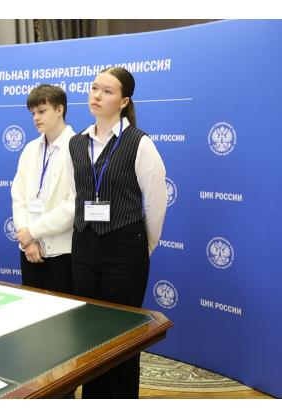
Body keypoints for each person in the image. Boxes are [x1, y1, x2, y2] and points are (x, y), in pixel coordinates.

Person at [66, 67, 167, 398]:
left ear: (124, 101)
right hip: (84, 248)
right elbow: (76, 194)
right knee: (90, 336)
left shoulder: (140, 143)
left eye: (107, 91)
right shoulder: (77, 143)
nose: (96, 95)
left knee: (122, 338)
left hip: (125, 250)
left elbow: (155, 201)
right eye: (94, 88)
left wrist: (143, 246)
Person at [11, 84, 76, 294]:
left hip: (62, 251)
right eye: (33, 113)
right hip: (29, 248)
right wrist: (27, 238)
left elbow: (74, 205)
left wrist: (33, 232)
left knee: (62, 313)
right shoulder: (30, 149)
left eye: (42, 111)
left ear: (59, 110)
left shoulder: (77, 147)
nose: (36, 118)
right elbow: (18, 197)